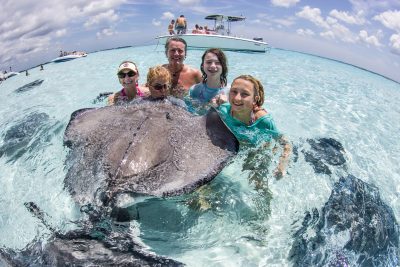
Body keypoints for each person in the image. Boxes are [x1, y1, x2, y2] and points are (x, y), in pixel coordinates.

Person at [217, 74, 291, 177]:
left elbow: (286, 143)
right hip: (235, 146)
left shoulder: (264, 121)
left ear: (255, 99)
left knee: (257, 183)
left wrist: (281, 165)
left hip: (257, 150)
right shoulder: (224, 111)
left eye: (245, 94)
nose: (237, 98)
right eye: (234, 91)